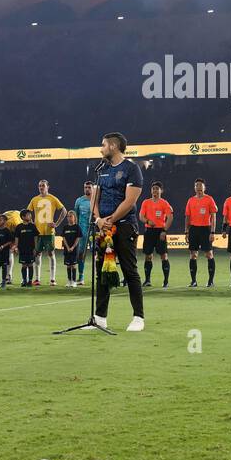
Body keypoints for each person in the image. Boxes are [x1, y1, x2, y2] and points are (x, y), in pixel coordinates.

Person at [88, 132, 145, 331]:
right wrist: (98, 220)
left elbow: (130, 201)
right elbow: (94, 198)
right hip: (104, 228)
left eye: (103, 145)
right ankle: (100, 317)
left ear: (113, 146)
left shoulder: (131, 169)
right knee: (103, 272)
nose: (100, 149)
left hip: (124, 226)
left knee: (129, 270)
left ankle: (138, 317)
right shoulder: (101, 169)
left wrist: (109, 220)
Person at [27, 180, 66, 286]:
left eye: (43, 186)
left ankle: (52, 279)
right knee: (37, 254)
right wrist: (31, 223)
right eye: (39, 186)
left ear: (48, 187)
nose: (41, 187)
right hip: (38, 233)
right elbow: (28, 212)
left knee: (51, 253)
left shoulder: (53, 198)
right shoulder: (34, 199)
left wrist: (56, 224)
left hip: (49, 232)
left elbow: (64, 211)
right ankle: (37, 279)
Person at [184, 179, 218, 288]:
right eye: (196, 186)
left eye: (200, 186)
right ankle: (193, 281)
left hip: (205, 229)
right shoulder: (190, 200)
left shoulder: (209, 199)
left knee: (209, 254)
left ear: (204, 188)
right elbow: (187, 217)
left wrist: (212, 231)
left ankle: (210, 281)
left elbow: (213, 216)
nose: (198, 188)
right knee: (193, 255)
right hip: (194, 229)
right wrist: (186, 231)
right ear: (194, 188)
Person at [139, 182, 173, 288]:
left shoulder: (164, 203)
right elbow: (141, 216)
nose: (155, 191)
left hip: (160, 232)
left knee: (164, 256)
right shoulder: (146, 202)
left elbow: (170, 217)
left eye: (157, 189)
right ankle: (147, 280)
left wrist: (164, 230)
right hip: (149, 231)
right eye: (153, 188)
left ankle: (166, 281)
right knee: (148, 256)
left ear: (161, 191)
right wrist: (148, 221)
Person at [73, 181, 93, 283]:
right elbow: (76, 216)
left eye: (89, 187)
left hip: (94, 231)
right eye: (85, 187)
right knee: (81, 254)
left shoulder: (96, 200)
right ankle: (81, 277)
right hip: (82, 231)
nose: (87, 189)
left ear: (93, 188)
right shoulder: (79, 201)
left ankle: (98, 275)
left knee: (97, 253)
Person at [15, 209, 40, 286]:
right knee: (24, 265)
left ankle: (30, 281)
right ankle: (24, 280)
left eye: (30, 214)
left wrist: (36, 248)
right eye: (28, 215)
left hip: (31, 249)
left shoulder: (32, 226)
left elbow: (36, 237)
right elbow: (17, 238)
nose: (30, 216)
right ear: (23, 217)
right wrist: (16, 247)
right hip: (22, 249)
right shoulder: (19, 227)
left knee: (30, 265)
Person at [60, 212, 82, 286]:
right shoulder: (65, 227)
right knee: (68, 265)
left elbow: (78, 238)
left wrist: (72, 247)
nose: (69, 218)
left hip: (74, 249)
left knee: (74, 265)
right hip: (67, 249)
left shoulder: (77, 227)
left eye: (71, 216)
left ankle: (74, 281)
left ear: (74, 217)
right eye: (68, 216)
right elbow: (64, 238)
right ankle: (69, 281)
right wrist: (67, 247)